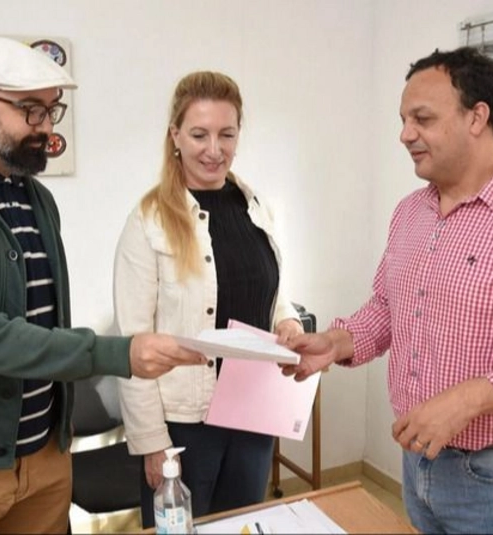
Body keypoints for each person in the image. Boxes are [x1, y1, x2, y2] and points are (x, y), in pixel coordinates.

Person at [0, 37, 206, 534]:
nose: (46, 126)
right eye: (30, 110)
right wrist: (122, 353)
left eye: (52, 110)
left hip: (43, 458)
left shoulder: (36, 199)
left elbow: (41, 323)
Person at [282, 46, 493, 534]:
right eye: (403, 120)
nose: (405, 134)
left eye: (422, 119)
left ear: (476, 117)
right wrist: (336, 342)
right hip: (417, 458)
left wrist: (466, 401)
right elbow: (388, 308)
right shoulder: (410, 212)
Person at [113, 71, 304, 527]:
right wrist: (152, 442)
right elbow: (132, 343)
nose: (214, 149)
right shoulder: (149, 220)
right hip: (183, 425)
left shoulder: (254, 206)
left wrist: (288, 321)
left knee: (241, 526)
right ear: (175, 136)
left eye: (227, 134)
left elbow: (271, 292)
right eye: (199, 134)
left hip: (254, 411)